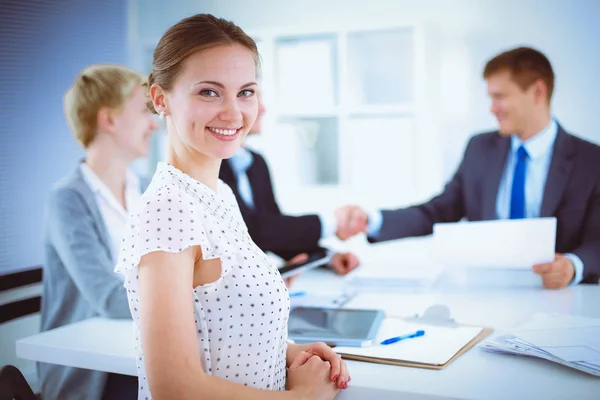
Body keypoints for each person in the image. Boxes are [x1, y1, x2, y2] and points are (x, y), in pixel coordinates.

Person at [114, 14, 349, 399]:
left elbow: (222, 330)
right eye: (209, 92)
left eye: (246, 92)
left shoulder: (219, 194)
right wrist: (303, 397)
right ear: (160, 99)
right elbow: (174, 387)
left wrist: (289, 354)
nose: (233, 112)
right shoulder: (166, 210)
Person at [337, 46, 600, 289]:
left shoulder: (591, 160)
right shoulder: (480, 149)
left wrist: (574, 265)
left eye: (500, 97)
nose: (492, 108)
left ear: (537, 92)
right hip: (487, 293)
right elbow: (438, 210)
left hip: (561, 299)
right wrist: (373, 221)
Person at [40, 64, 157, 400]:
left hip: (137, 346)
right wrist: (185, 300)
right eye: (143, 111)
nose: (153, 123)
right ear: (109, 120)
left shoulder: (148, 189)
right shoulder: (69, 199)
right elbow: (109, 299)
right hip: (93, 372)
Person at [219, 90, 359, 276]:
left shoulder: (256, 162)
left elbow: (276, 231)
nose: (263, 109)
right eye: (252, 98)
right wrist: (332, 222)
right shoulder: (212, 167)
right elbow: (253, 230)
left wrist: (327, 256)